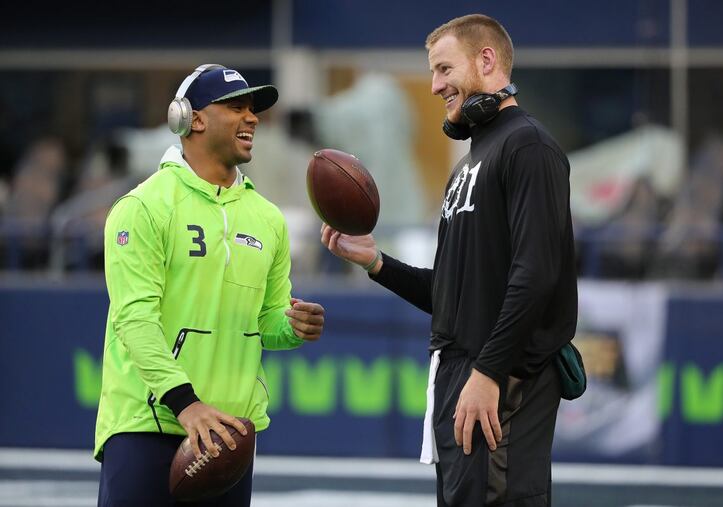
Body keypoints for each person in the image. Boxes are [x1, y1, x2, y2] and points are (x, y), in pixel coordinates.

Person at [321, 15, 577, 507]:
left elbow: (536, 274)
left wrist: (489, 373)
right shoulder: (469, 163)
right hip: (464, 379)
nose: (435, 84)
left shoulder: (529, 146)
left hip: (500, 384)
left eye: (443, 69)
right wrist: (378, 263)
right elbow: (454, 292)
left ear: (486, 60)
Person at [95, 64, 325, 507]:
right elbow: (134, 320)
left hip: (229, 436)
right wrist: (186, 404)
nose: (253, 117)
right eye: (236, 106)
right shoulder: (142, 207)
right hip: (149, 424)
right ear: (191, 119)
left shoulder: (268, 218)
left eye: (254, 109)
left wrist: (293, 326)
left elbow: (267, 323)